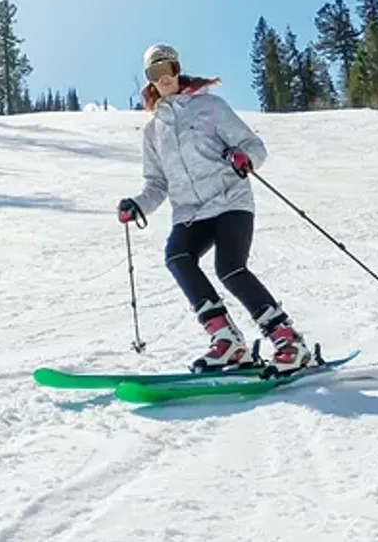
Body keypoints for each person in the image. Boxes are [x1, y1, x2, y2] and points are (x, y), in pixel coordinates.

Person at [117, 43, 312, 377]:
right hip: (190, 212)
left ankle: (288, 340)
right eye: (154, 73)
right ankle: (227, 342)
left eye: (168, 69)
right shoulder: (153, 130)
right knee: (177, 257)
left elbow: (254, 146)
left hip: (229, 200)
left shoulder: (210, 107)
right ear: (149, 80)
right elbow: (156, 183)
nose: (163, 77)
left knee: (230, 268)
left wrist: (243, 158)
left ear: (178, 69)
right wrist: (138, 204)